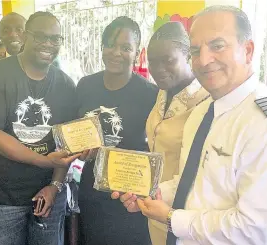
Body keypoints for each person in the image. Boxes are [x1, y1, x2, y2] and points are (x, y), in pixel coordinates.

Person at [115, 5, 267, 245]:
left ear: (247, 51)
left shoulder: (261, 123)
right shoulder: (201, 113)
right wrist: (153, 193)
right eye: (196, 50)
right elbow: (189, 181)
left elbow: (255, 228)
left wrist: (173, 219)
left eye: (217, 46)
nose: (204, 60)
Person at [0, 11, 81, 245]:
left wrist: (55, 186)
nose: (48, 44)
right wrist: (45, 161)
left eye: (55, 39)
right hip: (2, 201)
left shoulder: (66, 85)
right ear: (26, 36)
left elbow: (65, 144)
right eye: (40, 36)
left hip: (49, 198)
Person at [76, 16, 158, 245]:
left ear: (136, 52)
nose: (116, 53)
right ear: (102, 47)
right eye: (110, 45)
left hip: (129, 196)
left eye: (125, 47)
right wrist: (80, 150)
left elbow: (155, 145)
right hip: (91, 190)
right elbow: (76, 133)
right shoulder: (85, 85)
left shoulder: (150, 93)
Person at [144, 21, 209, 245]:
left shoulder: (206, 100)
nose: (158, 68)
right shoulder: (161, 94)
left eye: (168, 60)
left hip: (184, 216)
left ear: (188, 57)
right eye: (152, 61)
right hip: (154, 206)